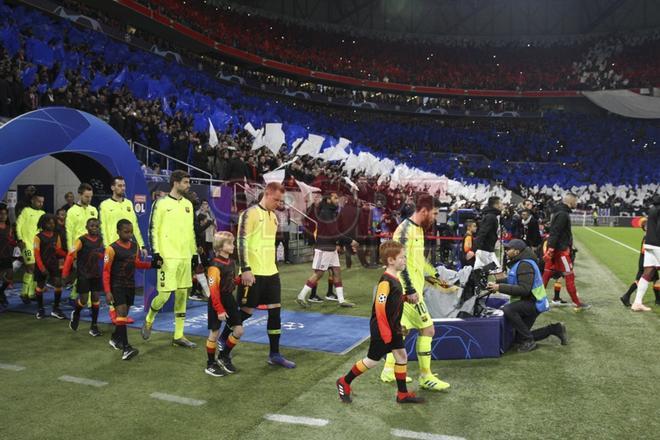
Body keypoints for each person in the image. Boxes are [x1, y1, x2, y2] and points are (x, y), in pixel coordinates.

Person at [336, 241, 424, 404]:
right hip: (383, 330)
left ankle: (402, 394)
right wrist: (385, 332)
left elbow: (392, 300)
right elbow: (379, 307)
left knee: (401, 355)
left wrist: (405, 298)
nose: (404, 260)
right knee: (372, 361)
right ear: (391, 260)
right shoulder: (386, 281)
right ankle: (344, 381)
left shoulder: (394, 279)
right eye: (402, 257)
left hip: (392, 328)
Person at [380, 194, 450, 392]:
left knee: (402, 330)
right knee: (428, 329)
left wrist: (434, 275)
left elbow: (418, 262)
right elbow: (400, 265)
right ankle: (426, 376)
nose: (436, 218)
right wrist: (410, 290)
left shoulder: (418, 229)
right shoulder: (404, 231)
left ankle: (387, 369)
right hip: (405, 292)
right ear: (424, 211)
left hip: (410, 291)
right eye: (434, 213)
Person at [228, 182, 295, 368]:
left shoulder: (274, 217)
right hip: (253, 272)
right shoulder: (249, 214)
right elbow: (241, 243)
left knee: (275, 312)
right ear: (266, 194)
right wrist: (245, 268)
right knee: (246, 312)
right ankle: (223, 340)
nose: (278, 204)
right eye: (276, 200)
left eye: (280, 201)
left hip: (271, 272)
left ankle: (275, 354)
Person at [142, 170, 198, 348]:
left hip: (185, 257)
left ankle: (178, 335)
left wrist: (194, 254)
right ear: (175, 182)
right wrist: (156, 252)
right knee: (164, 296)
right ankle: (149, 319)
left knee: (182, 296)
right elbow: (153, 229)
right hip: (168, 258)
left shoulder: (188, 205)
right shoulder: (161, 203)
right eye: (186, 182)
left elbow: (191, 233)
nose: (188, 186)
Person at [487, 239, 568, 352]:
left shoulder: (524, 264)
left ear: (516, 252)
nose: (506, 251)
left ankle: (529, 341)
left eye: (508, 249)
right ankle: (555, 329)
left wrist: (499, 288)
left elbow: (524, 289)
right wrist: (498, 283)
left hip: (534, 302)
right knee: (519, 338)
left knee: (508, 310)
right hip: (532, 301)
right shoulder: (522, 262)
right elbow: (514, 279)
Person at [104, 220, 159, 360]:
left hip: (130, 285)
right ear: (118, 231)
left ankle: (115, 338)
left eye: (131, 231)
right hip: (116, 286)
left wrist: (152, 264)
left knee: (123, 315)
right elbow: (106, 271)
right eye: (125, 232)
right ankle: (126, 348)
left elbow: (136, 263)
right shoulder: (111, 249)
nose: (129, 234)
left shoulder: (135, 247)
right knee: (121, 313)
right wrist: (108, 291)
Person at [297, 192, 358, 307]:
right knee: (319, 273)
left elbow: (334, 233)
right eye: (335, 197)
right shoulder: (326, 213)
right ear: (328, 200)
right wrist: (350, 241)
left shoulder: (330, 212)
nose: (337, 199)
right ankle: (301, 296)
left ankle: (341, 300)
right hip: (324, 248)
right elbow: (334, 233)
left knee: (337, 271)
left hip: (330, 248)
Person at [99, 176, 146, 322]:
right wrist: (108, 247)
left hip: (128, 248)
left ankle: (121, 310)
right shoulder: (105, 205)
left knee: (126, 277)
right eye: (119, 185)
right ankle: (114, 311)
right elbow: (103, 227)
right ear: (113, 187)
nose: (122, 188)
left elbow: (135, 226)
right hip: (113, 249)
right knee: (113, 278)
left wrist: (141, 244)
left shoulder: (129, 204)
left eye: (124, 185)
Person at [205, 231, 244, 377]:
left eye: (232, 242)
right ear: (220, 247)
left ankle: (223, 356)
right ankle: (210, 364)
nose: (232, 246)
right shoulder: (214, 265)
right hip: (217, 301)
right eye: (229, 243)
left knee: (239, 330)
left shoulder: (232, 262)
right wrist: (219, 310)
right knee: (214, 333)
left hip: (229, 299)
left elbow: (231, 282)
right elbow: (213, 290)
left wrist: (240, 281)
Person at [542, 194, 591, 310]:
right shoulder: (563, 214)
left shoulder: (559, 212)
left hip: (555, 250)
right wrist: (551, 249)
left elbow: (555, 231)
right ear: (571, 201)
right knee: (569, 275)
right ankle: (577, 302)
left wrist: (550, 248)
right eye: (576, 201)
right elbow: (556, 231)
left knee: (547, 274)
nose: (577, 203)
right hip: (560, 252)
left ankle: (535, 300)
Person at [63, 218, 105, 336]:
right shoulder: (81, 240)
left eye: (97, 226)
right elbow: (70, 255)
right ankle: (76, 314)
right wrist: (65, 274)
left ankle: (94, 326)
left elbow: (101, 255)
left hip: (96, 274)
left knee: (96, 298)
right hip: (84, 275)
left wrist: (103, 256)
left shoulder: (100, 240)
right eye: (92, 226)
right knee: (84, 300)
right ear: (87, 227)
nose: (94, 228)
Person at [65, 183, 99, 303]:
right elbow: (69, 232)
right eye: (86, 196)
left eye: (90, 196)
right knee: (84, 274)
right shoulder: (72, 211)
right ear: (79, 195)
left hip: (92, 248)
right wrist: (71, 252)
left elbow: (97, 230)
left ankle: (74, 296)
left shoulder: (94, 210)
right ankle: (89, 305)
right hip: (79, 249)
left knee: (87, 275)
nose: (89, 199)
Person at [620, 217, 660, 307]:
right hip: (646, 262)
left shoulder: (650, 235)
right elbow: (644, 250)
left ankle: (658, 300)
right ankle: (626, 296)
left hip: (648, 261)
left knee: (656, 280)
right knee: (640, 280)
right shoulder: (648, 237)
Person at [33, 214, 67, 319]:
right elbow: (36, 254)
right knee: (40, 286)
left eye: (53, 222)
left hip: (53, 264)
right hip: (41, 265)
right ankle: (40, 309)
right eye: (48, 222)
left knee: (58, 284)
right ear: (43, 223)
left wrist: (69, 255)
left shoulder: (56, 236)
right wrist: (42, 268)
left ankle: (56, 309)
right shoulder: (38, 237)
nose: (51, 225)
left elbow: (58, 250)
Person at [630, 195, 660, 312]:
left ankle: (637, 303)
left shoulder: (652, 210)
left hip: (648, 244)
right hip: (658, 245)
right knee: (648, 274)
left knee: (647, 274)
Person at [15, 193, 45, 304]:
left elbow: (44, 229)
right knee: (30, 268)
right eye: (38, 201)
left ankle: (31, 293)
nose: (40, 204)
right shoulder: (26, 211)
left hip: (38, 246)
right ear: (32, 200)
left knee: (36, 269)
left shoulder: (42, 213)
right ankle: (23, 293)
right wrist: (19, 240)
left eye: (42, 202)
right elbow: (18, 225)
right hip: (27, 244)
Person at [474, 196, 503, 271]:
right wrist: (475, 248)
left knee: (477, 272)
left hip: (485, 249)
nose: (502, 205)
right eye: (501, 203)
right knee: (497, 271)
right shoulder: (491, 217)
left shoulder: (491, 216)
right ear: (496, 205)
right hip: (485, 250)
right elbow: (482, 232)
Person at [0, 205, 15, 307]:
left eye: (5, 214)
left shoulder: (9, 228)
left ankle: (1, 292)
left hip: (7, 255)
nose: (3, 216)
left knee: (10, 275)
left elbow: (12, 241)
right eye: (1, 214)